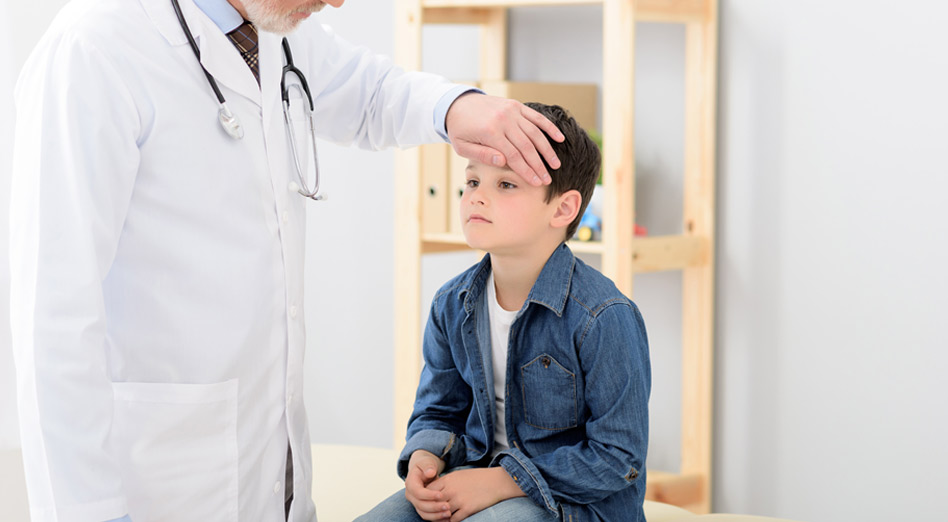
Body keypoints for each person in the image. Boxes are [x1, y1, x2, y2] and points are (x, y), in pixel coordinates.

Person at [8, 0, 567, 521]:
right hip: (160, 483)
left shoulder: (270, 32)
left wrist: (459, 108)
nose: (339, 1)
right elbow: (52, 323)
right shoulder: (94, 51)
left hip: (275, 477)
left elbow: (369, 92)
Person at [357, 103, 651, 522]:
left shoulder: (603, 316)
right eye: (473, 180)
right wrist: (425, 455)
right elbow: (438, 409)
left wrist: (499, 483)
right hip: (475, 478)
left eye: (506, 184)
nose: (476, 195)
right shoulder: (452, 304)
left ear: (562, 209)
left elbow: (618, 456)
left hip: (577, 505)